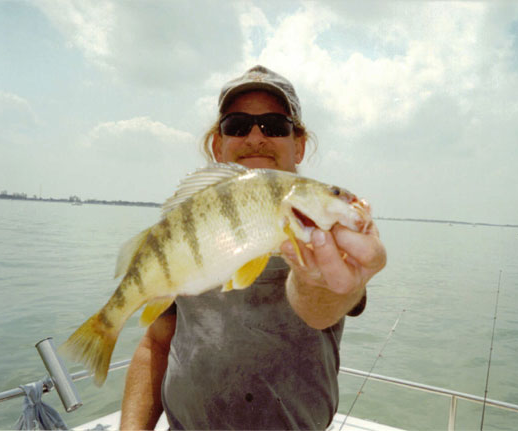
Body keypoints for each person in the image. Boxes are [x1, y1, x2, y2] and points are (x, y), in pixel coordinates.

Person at [119, 65, 386, 430]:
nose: (256, 137)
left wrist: (324, 281)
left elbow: (323, 303)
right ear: (218, 143)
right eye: (237, 125)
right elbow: (156, 344)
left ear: (299, 144)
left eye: (275, 126)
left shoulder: (325, 233)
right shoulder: (189, 224)